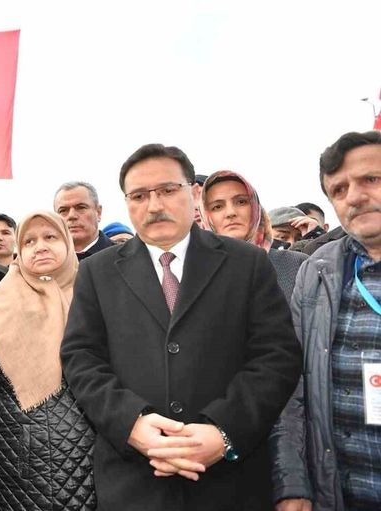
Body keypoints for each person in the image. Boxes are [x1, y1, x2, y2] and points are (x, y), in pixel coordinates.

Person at [61, 143, 302, 511]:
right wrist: (132, 425)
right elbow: (81, 358)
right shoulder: (97, 271)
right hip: (134, 482)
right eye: (139, 195)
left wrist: (223, 431)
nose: (154, 205)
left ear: (194, 193)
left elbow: (276, 357)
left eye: (167, 190)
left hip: (230, 482)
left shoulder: (246, 263)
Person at [0, 211, 96, 510]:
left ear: (67, 242)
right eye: (29, 241)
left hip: (100, 459)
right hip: (23, 465)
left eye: (50, 237)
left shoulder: (98, 298)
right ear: (19, 250)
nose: (40, 247)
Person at [271, 131, 381, 511]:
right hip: (339, 496)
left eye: (371, 179)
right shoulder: (316, 270)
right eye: (339, 189)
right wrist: (292, 484)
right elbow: (292, 387)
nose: (354, 197)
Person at [199, 170, 308, 298]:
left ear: (256, 207)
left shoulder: (296, 264)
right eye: (217, 207)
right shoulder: (192, 273)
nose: (230, 212)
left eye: (241, 202)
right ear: (206, 216)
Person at [53, 181, 113, 259]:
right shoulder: (46, 261)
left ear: (98, 212)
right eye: (63, 210)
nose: (72, 215)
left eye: (81, 207)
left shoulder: (125, 257)